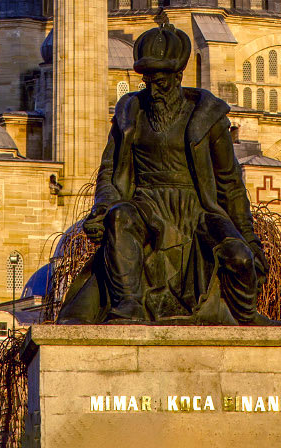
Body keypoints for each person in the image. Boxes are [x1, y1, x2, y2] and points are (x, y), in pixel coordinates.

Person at [58, 24, 270, 324]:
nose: (154, 89)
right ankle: (129, 303)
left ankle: (246, 316)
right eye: (149, 81)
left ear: (177, 77)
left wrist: (247, 237)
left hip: (196, 209)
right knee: (120, 218)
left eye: (161, 82)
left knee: (238, 257)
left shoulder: (208, 119)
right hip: (147, 204)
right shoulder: (130, 114)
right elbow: (109, 171)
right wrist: (103, 208)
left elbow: (230, 184)